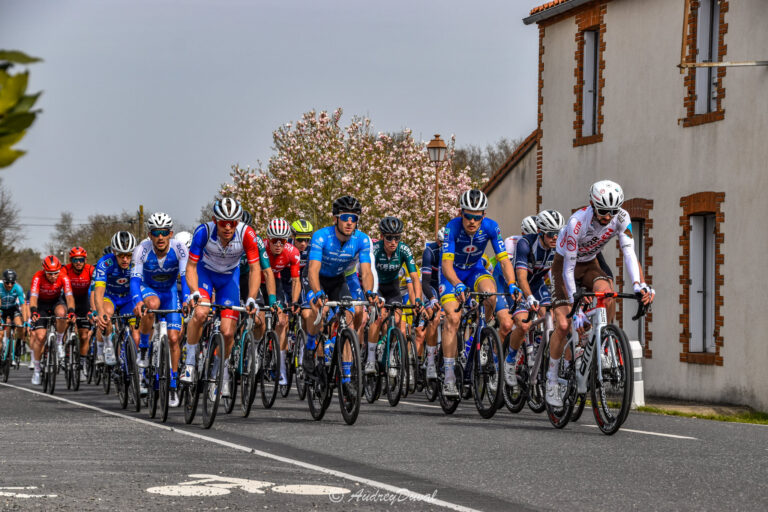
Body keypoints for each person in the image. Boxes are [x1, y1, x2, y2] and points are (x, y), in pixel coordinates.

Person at [547, 180, 655, 407]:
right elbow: (568, 268)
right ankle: (552, 380)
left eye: (612, 212)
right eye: (603, 211)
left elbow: (629, 253)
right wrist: (574, 303)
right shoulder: (577, 222)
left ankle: (603, 341)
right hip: (564, 266)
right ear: (592, 205)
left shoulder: (622, 218)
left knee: (608, 293)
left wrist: (639, 285)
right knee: (565, 325)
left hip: (590, 264)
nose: (608, 216)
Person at [439, 189, 520, 397]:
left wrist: (512, 284)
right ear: (461, 213)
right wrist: (457, 284)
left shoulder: (491, 227)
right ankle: (449, 376)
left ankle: (481, 337)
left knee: (491, 294)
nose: (472, 221)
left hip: (475, 270)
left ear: (483, 215)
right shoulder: (452, 228)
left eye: (477, 217)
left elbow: (503, 260)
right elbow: (446, 265)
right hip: (452, 274)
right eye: (468, 216)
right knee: (453, 317)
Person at [183, 198, 262, 399]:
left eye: (233, 223)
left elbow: (255, 269)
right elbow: (191, 267)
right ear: (214, 220)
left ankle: (220, 371)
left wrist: (252, 298)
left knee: (228, 333)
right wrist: (194, 292)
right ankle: (190, 362)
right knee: (200, 313)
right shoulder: (203, 232)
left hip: (229, 279)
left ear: (238, 222)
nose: (228, 227)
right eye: (223, 223)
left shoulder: (247, 234)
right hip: (205, 274)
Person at [302, 195, 377, 384]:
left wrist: (369, 292)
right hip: (316, 278)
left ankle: (346, 378)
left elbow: (366, 272)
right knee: (318, 308)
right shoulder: (321, 236)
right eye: (345, 217)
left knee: (350, 319)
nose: (350, 222)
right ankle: (310, 350)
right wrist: (318, 293)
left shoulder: (361, 240)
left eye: (354, 218)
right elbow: (312, 270)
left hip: (338, 280)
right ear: (335, 218)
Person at [502, 209, 564, 390]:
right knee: (523, 325)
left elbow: (559, 275)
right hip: (519, 286)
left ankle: (539, 349)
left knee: (550, 318)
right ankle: (510, 360)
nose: (555, 238)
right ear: (541, 233)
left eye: (558, 234)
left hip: (537, 285)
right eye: (551, 234)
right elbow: (521, 278)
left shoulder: (558, 247)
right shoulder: (525, 244)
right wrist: (528, 297)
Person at [131, 212, 188, 407]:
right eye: (156, 233)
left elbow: (185, 277)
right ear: (150, 235)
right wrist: (138, 300)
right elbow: (135, 280)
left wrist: (187, 299)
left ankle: (172, 385)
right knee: (151, 305)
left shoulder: (180, 249)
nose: (160, 237)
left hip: (170, 293)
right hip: (149, 290)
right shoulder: (142, 250)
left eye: (164, 232)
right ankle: (145, 349)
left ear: (171, 233)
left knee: (174, 338)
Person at [365, 216, 421, 375]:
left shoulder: (404, 250)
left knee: (397, 321)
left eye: (397, 238)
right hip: (377, 286)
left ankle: (389, 354)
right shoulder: (374, 249)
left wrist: (417, 299)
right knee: (378, 317)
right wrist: (372, 293)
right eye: (389, 237)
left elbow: (415, 277)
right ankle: (370, 358)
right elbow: (368, 273)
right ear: (382, 236)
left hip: (393, 287)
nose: (393, 242)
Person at [29, 256, 76, 385]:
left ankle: (60, 342)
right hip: (41, 304)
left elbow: (69, 296)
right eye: (50, 273)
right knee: (40, 337)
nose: (53, 276)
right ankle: (37, 370)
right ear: (44, 271)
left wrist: (71, 310)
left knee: (62, 313)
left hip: (56, 302)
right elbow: (33, 297)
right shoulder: (37, 277)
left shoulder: (63, 277)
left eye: (56, 273)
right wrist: (33, 310)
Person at [94, 232, 139, 366]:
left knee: (135, 333)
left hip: (129, 298)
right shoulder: (104, 263)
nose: (125, 259)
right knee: (106, 314)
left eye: (129, 255)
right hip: (111, 297)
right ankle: (108, 345)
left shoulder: (138, 262)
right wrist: (100, 312)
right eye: (121, 255)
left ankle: (136, 370)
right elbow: (98, 293)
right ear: (114, 252)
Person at [62, 246, 95, 380]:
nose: (78, 262)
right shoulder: (65, 270)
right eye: (75, 260)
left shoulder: (90, 270)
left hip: (84, 301)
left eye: (81, 259)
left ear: (85, 260)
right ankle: (62, 348)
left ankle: (82, 364)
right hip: (68, 299)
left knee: (84, 335)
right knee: (64, 322)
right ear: (71, 260)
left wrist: (93, 308)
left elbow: (96, 287)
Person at [0, 269, 28, 366]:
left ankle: (18, 346)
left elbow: (23, 305)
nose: (10, 285)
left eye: (12, 283)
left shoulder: (18, 288)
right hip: (1, 309)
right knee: (0, 335)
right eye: (7, 282)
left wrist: (25, 321)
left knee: (20, 325)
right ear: (3, 281)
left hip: (12, 309)